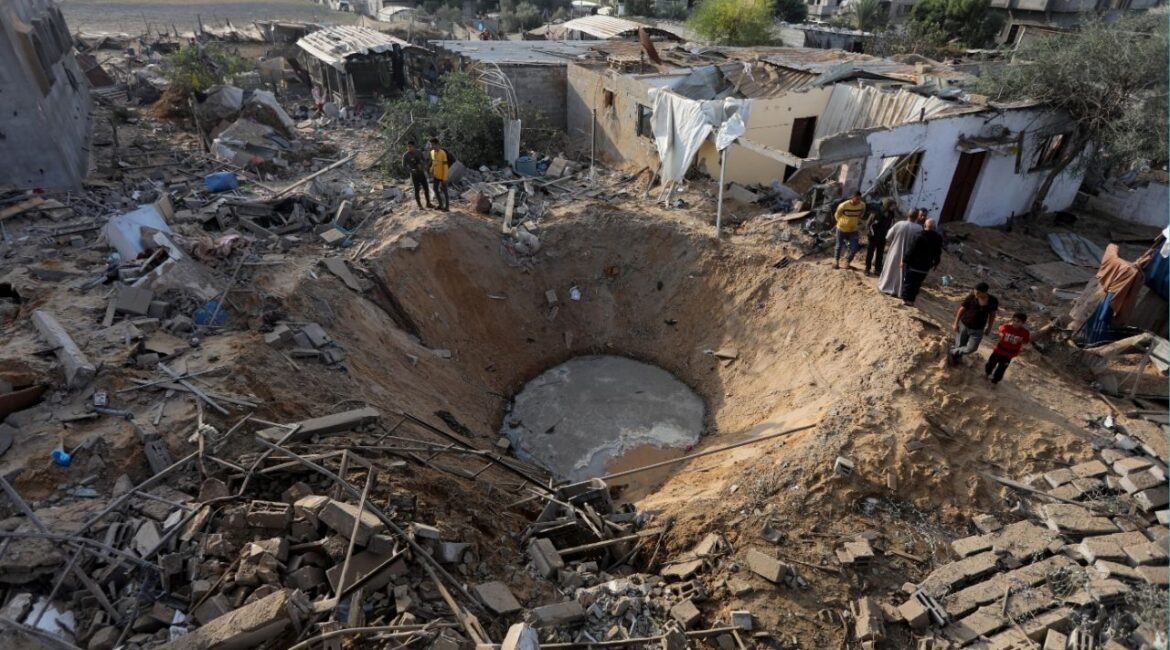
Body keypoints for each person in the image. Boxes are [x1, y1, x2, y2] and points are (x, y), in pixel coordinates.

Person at [949, 282, 999, 365]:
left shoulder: (993, 301)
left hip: (978, 329)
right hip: (964, 325)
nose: (976, 294)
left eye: (978, 292)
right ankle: (955, 360)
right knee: (960, 345)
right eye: (975, 291)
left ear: (985, 292)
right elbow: (961, 310)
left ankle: (952, 351)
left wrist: (989, 328)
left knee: (972, 348)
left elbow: (992, 315)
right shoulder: (971, 297)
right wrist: (956, 323)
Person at [877, 212, 922, 296]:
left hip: (894, 251)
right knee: (903, 273)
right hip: (909, 255)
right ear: (916, 217)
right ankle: (899, 291)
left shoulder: (899, 224)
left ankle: (885, 287)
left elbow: (888, 237)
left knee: (890, 269)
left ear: (908, 215)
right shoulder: (919, 228)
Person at [900, 218, 943, 306]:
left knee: (909, 282)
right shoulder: (938, 238)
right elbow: (938, 252)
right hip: (925, 267)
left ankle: (905, 299)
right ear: (934, 227)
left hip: (913, 265)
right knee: (917, 283)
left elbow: (911, 250)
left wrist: (904, 261)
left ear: (924, 226)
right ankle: (911, 300)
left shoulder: (919, 235)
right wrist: (936, 263)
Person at [985, 312, 1030, 386]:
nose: (1015, 323)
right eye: (1014, 320)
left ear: (1023, 323)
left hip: (1009, 354)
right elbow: (1000, 329)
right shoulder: (1006, 327)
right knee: (990, 364)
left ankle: (994, 382)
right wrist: (1001, 334)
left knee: (1001, 369)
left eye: (1018, 321)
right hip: (998, 350)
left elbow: (1026, 341)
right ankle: (987, 374)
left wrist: (1021, 341)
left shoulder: (1025, 332)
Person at [833, 191, 865, 269]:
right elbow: (837, 215)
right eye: (857, 199)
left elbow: (861, 214)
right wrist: (842, 223)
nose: (858, 201)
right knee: (839, 246)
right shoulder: (843, 205)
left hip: (853, 230)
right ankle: (835, 261)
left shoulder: (862, 205)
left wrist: (855, 222)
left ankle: (847, 261)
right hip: (841, 229)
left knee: (854, 247)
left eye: (859, 199)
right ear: (852, 198)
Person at [864, 199, 897, 277]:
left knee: (880, 254)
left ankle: (877, 269)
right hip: (873, 236)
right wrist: (869, 233)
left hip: (883, 236)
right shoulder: (877, 212)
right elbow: (868, 223)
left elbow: (890, 225)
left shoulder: (891, 214)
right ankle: (867, 268)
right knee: (870, 253)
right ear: (887, 205)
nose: (894, 207)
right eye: (892, 205)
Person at [402, 141, 433, 210]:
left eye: (410, 146)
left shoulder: (418, 152)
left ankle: (428, 203)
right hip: (414, 175)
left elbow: (424, 160)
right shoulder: (406, 155)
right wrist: (410, 170)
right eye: (408, 147)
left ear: (414, 146)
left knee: (426, 188)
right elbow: (403, 166)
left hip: (421, 173)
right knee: (416, 190)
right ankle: (419, 205)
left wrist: (424, 165)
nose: (409, 148)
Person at [429, 138, 451, 212]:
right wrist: (431, 169)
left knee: (444, 191)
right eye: (431, 145)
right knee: (435, 189)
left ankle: (447, 207)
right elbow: (434, 162)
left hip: (443, 175)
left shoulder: (443, 153)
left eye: (433, 145)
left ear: (438, 144)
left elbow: (445, 166)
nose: (432, 146)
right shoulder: (432, 152)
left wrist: (445, 178)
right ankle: (440, 204)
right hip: (436, 175)